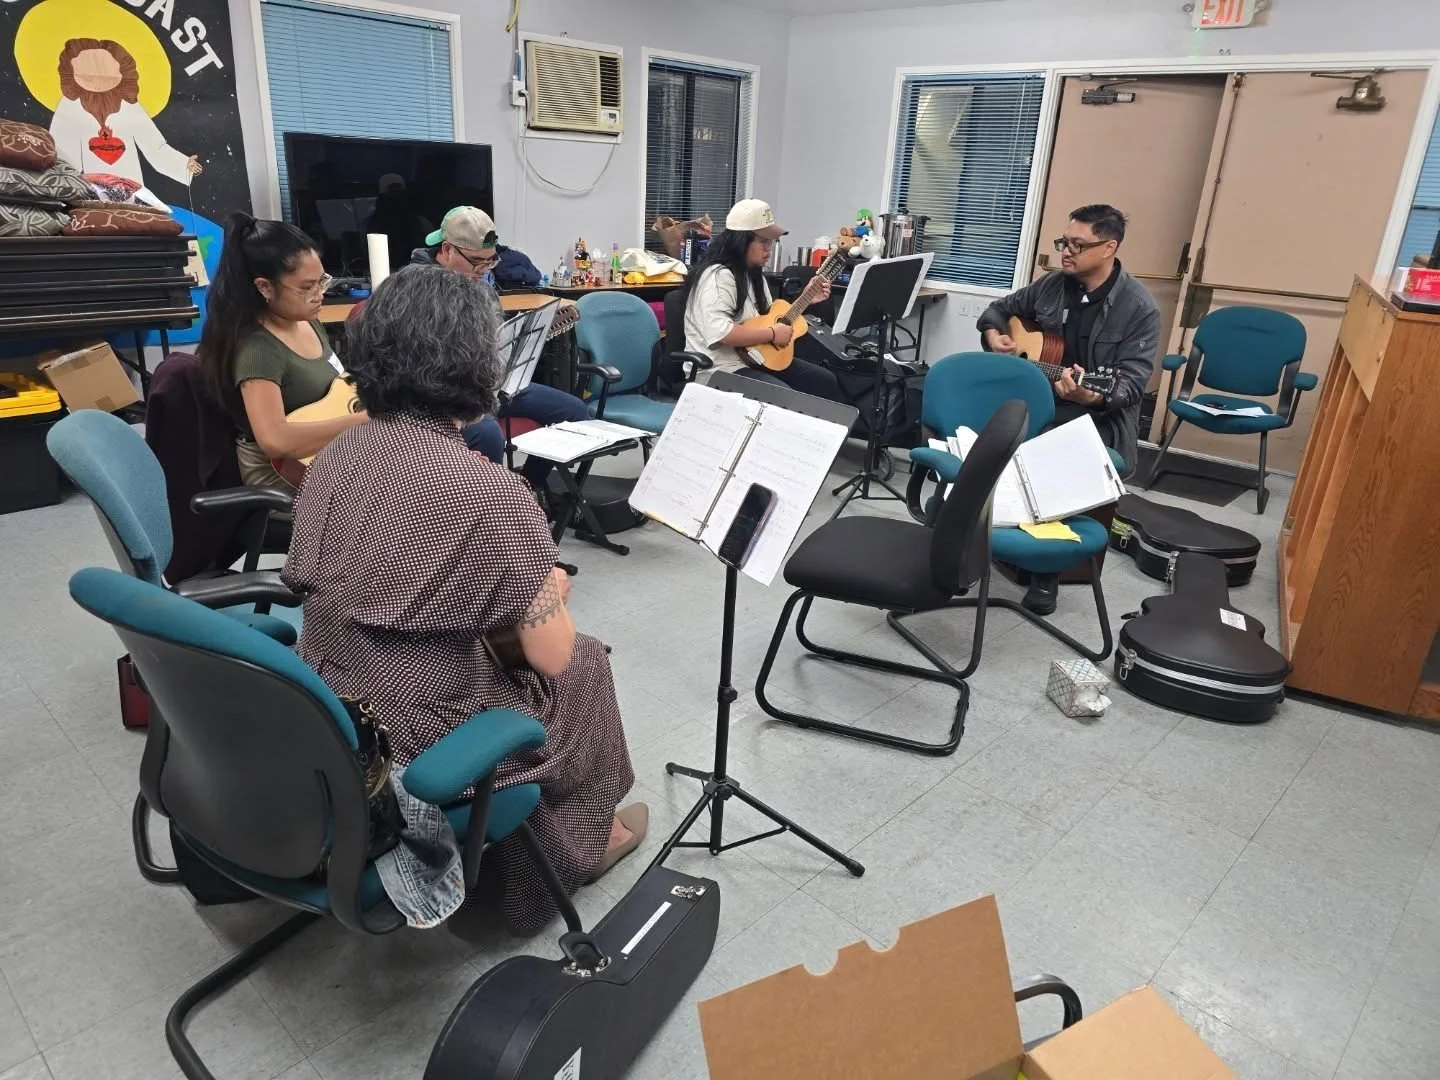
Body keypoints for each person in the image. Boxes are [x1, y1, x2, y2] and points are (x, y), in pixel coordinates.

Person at [282, 265, 644, 930]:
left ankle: (531, 841)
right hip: (421, 731)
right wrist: (547, 591)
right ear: (480, 363)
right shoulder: (492, 495)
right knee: (586, 665)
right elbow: (553, 655)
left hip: (331, 698)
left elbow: (365, 571)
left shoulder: (337, 453)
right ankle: (575, 850)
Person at [976, 203, 1160, 615]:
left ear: (1109, 247)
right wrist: (994, 335)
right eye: (1064, 242)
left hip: (1094, 414)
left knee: (1055, 449)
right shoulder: (1052, 285)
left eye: (1078, 245)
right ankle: (979, 540)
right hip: (1038, 397)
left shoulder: (1138, 308)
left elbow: (1130, 385)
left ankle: (1046, 574)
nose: (1066, 252)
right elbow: (999, 311)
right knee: (983, 433)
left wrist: (1089, 395)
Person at [410, 206, 589, 486]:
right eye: (477, 262)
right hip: (444, 394)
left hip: (493, 383)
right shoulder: (413, 290)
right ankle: (483, 509)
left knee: (574, 412)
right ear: (447, 250)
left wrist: (518, 345)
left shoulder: (481, 287)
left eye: (490, 262)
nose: (484, 271)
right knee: (487, 433)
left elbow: (497, 340)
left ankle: (525, 488)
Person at [197, 213, 367, 492]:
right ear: (264, 287)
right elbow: (274, 439)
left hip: (326, 455)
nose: (319, 294)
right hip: (282, 474)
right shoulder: (257, 348)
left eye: (321, 281)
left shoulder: (307, 321)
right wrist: (360, 422)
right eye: (306, 287)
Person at [681, 199, 847, 402]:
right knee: (784, 397)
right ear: (741, 240)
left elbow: (768, 321)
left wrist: (807, 298)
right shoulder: (717, 277)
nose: (769, 248)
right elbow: (722, 333)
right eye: (763, 241)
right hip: (721, 369)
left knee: (824, 381)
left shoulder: (754, 274)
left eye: (772, 241)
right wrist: (772, 334)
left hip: (756, 360)